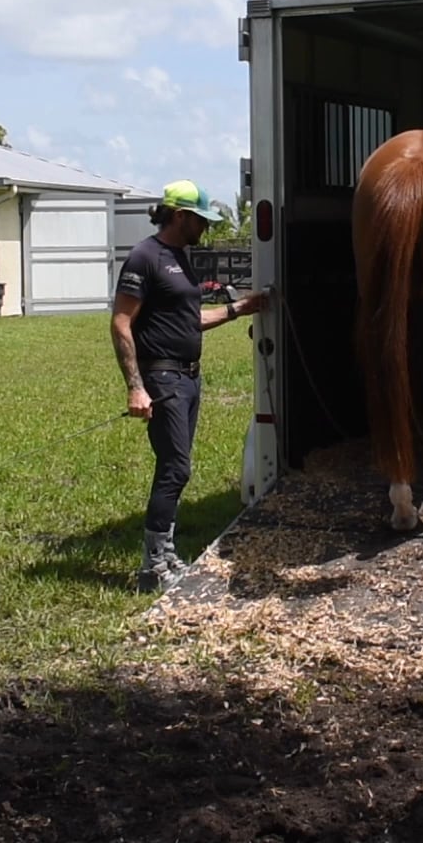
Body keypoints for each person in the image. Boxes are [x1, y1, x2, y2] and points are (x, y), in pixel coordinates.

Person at [110, 179, 267, 592]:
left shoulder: (179, 258)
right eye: (201, 220)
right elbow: (121, 322)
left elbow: (190, 319)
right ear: (180, 216)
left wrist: (239, 309)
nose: (206, 229)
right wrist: (135, 387)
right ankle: (152, 567)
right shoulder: (145, 257)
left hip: (188, 376)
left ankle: (165, 554)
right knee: (175, 468)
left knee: (176, 468)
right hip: (162, 376)